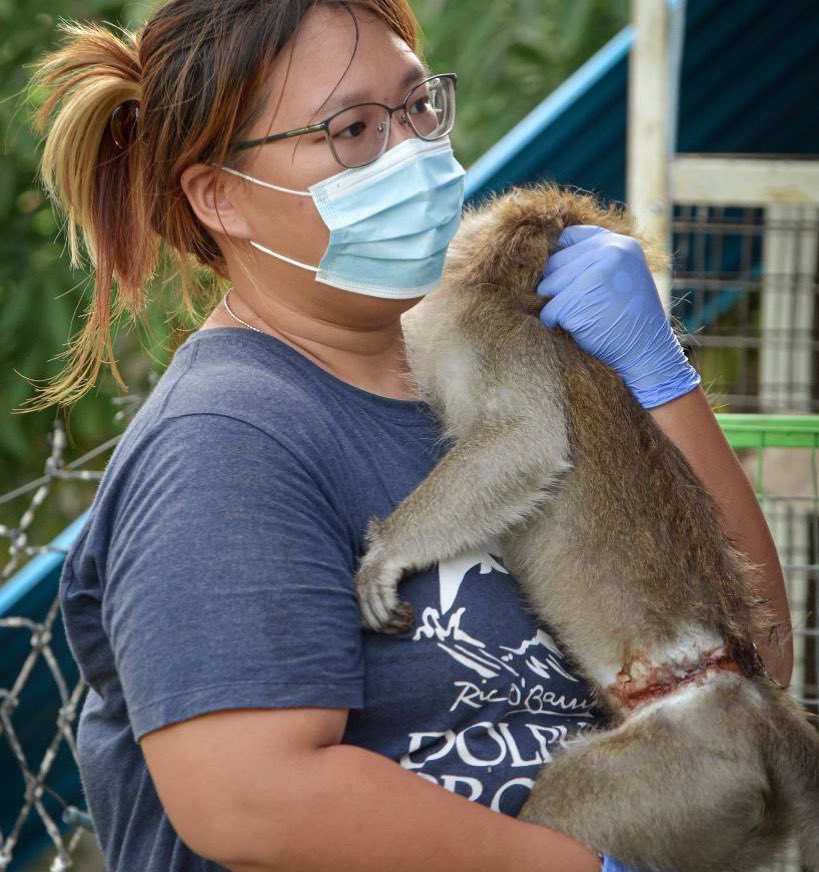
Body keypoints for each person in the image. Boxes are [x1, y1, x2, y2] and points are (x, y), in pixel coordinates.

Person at [32, 1, 792, 870]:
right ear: (221, 197)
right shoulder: (229, 439)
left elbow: (754, 664)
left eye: (418, 105)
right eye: (352, 129)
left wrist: (661, 383)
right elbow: (250, 798)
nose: (413, 153)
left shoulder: (487, 369)